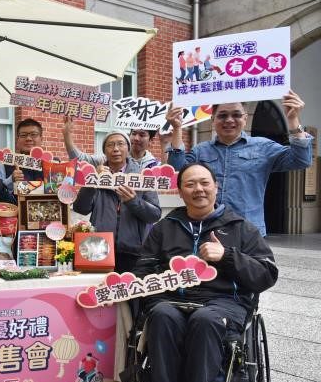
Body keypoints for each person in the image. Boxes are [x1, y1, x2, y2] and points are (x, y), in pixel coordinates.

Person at [133, 162, 278, 382]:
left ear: (215, 186)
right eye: (190, 184)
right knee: (161, 315)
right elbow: (142, 270)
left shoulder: (241, 228)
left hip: (223, 303)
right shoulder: (165, 228)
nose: (198, 189)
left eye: (204, 183)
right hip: (171, 300)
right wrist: (159, 286)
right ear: (180, 191)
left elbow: (267, 274)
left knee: (206, 320)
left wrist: (226, 256)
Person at [165, 90, 312, 236]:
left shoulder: (263, 147)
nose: (229, 120)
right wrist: (177, 128)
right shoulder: (200, 151)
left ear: (245, 119)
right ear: (213, 119)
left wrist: (293, 120)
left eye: (236, 115)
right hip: (207, 230)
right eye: (222, 115)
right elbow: (177, 171)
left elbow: (301, 160)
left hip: (248, 231)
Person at [72, 131, 161, 274]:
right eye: (110, 145)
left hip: (132, 250)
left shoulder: (141, 176)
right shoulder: (97, 175)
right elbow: (81, 208)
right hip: (99, 248)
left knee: (128, 292)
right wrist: (92, 181)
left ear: (128, 148)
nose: (116, 149)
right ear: (104, 151)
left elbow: (155, 215)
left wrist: (133, 201)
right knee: (100, 292)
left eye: (121, 144)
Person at [64, 118, 160, 171]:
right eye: (134, 133)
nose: (136, 138)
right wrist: (67, 135)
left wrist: (164, 144)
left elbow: (169, 173)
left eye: (142, 135)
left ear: (151, 140)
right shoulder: (106, 159)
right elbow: (80, 159)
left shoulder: (153, 165)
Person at [0, 118, 46, 192]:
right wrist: (11, 180)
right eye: (23, 135)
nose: (28, 138)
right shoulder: (5, 166)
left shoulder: (52, 164)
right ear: (17, 140)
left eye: (33, 134)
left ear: (41, 139)